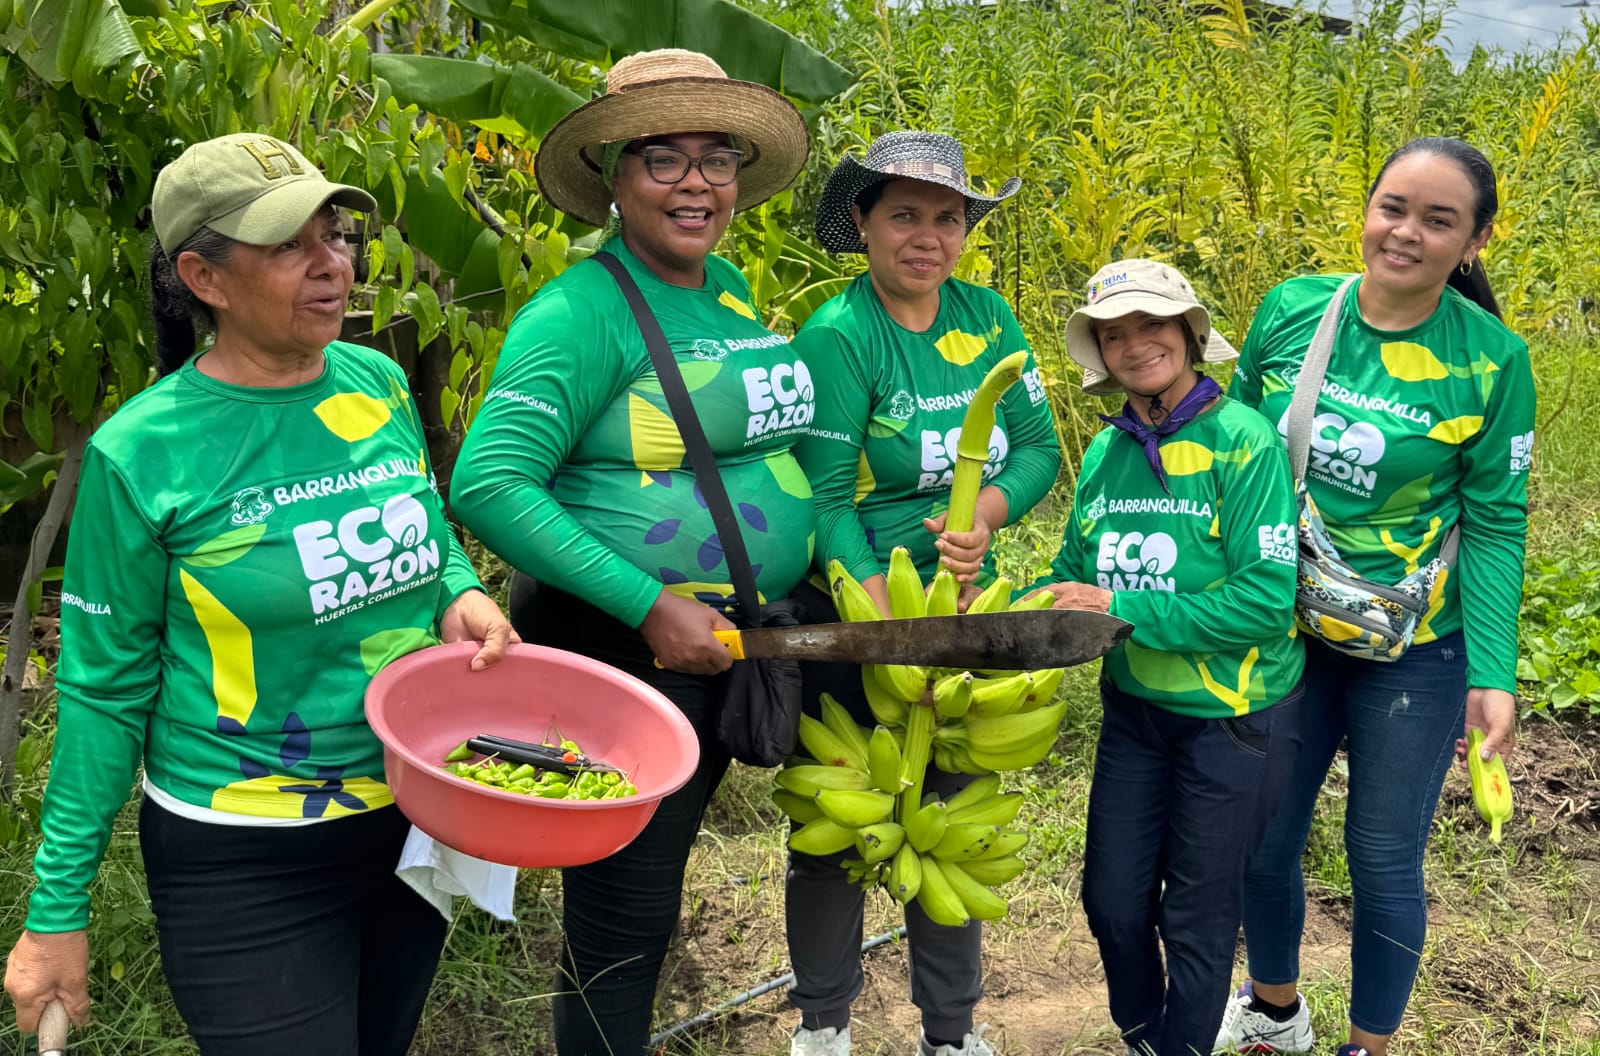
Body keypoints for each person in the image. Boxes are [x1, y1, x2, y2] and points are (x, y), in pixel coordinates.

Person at [1, 133, 514, 1055]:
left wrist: (457, 590)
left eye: (336, 232)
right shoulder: (146, 451)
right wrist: (55, 911)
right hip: (243, 845)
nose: (334, 265)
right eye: (287, 245)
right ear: (204, 276)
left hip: (413, 809)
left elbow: (426, 530)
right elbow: (101, 692)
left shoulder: (378, 381)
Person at [447, 48, 813, 1056]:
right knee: (625, 918)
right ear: (612, 175)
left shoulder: (727, 285)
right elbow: (487, 484)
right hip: (626, 651)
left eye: (716, 157)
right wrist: (647, 602)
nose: (696, 182)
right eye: (663, 158)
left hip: (740, 637)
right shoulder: (580, 314)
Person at [1214, 137, 1534, 1056]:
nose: (1407, 232)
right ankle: (1275, 1013)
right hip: (1286, 629)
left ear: (1471, 243)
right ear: (1368, 208)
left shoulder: (1491, 360)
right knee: (1265, 838)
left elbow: (1499, 524)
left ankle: (1369, 1046)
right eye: (1394, 207)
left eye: (1440, 220)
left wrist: (1494, 671)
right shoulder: (1294, 309)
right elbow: (1233, 455)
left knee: (1384, 858)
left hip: (1418, 651)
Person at [785, 131, 1062, 1056]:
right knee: (836, 829)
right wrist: (881, 614)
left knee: (948, 818)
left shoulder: (987, 319)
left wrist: (981, 519)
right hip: (857, 603)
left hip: (957, 603)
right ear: (862, 222)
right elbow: (823, 501)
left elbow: (1036, 450)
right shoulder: (839, 335)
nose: (928, 237)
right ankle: (822, 1025)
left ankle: (952, 1030)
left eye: (948, 218)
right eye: (904, 214)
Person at [1020, 259, 1305, 1056]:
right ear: (1101, 355)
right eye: (1114, 334)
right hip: (1138, 714)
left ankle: (1181, 1044)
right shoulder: (1109, 454)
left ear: (1189, 333)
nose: (1136, 344)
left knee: (1196, 916)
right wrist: (1019, 608)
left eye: (1154, 324)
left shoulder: (1241, 442)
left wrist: (1123, 609)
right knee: (1111, 901)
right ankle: (1148, 1034)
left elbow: (1265, 601)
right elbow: (1074, 575)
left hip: (1234, 717)